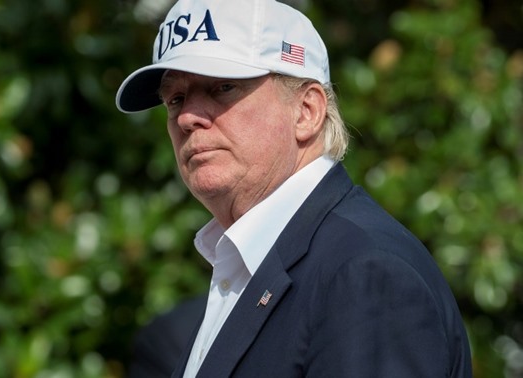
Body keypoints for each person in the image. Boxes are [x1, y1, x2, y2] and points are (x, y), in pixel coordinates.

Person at [116, 0, 473, 377]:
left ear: (306, 111)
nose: (187, 117)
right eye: (175, 99)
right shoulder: (249, 268)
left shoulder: (365, 274)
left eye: (222, 87)